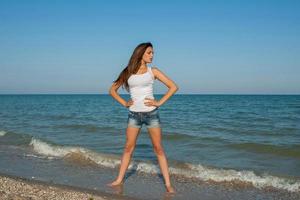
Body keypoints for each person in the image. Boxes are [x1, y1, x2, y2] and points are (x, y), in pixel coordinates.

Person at [107, 42, 178, 193]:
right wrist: (125, 103)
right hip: (133, 114)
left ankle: (168, 184)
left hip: (152, 114)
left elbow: (173, 86)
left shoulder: (154, 71)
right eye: (149, 52)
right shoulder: (128, 72)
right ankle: (119, 180)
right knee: (128, 148)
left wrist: (159, 102)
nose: (152, 55)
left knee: (158, 148)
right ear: (140, 53)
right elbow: (112, 90)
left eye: (153, 53)